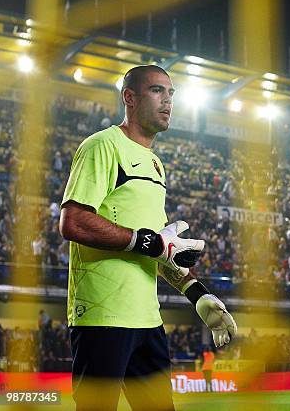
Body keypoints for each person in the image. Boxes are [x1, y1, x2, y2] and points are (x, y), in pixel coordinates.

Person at [59, 65, 237, 411]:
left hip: (148, 321)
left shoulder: (156, 165)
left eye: (171, 93)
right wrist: (148, 242)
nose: (168, 100)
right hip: (103, 316)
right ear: (129, 97)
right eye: (157, 91)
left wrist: (198, 295)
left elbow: (161, 246)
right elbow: (74, 222)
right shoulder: (102, 145)